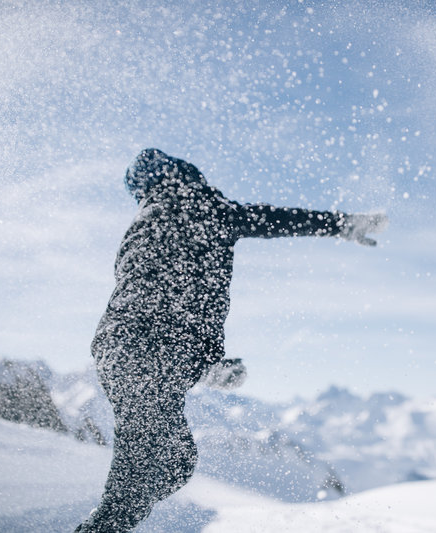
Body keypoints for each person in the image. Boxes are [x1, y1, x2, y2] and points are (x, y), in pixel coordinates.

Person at [75, 148, 387, 532]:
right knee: (149, 473)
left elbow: (162, 295)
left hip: (124, 353)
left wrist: (201, 362)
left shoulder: (149, 220)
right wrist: (340, 223)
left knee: (172, 465)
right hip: (142, 355)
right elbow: (272, 221)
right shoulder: (205, 208)